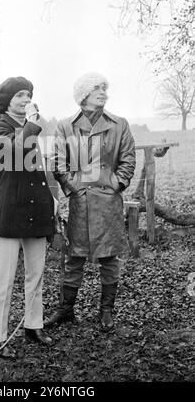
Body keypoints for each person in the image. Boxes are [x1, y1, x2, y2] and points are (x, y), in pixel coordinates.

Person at [45, 72, 136, 332]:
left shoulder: (120, 124)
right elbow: (58, 163)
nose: (103, 92)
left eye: (105, 88)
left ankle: (106, 311)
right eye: (97, 88)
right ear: (83, 94)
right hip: (80, 203)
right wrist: (75, 188)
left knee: (109, 258)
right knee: (74, 256)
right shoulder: (66, 126)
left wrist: (116, 184)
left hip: (108, 202)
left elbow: (128, 159)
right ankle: (66, 309)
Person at [0, 76, 55, 357]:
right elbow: (13, 155)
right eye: (20, 96)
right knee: (3, 278)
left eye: (28, 95)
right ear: (7, 101)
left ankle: (33, 325)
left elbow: (42, 169)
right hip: (10, 213)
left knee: (36, 274)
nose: (26, 100)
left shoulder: (31, 129)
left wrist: (53, 199)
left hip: (37, 210)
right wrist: (33, 125)